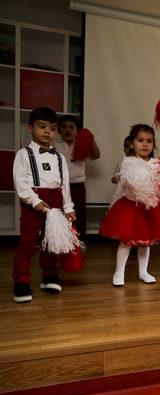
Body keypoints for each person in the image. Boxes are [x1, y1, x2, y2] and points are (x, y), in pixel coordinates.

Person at [12, 107, 76, 303]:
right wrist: (35, 201)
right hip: (35, 202)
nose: (48, 132)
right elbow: (20, 181)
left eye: (52, 128)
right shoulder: (23, 154)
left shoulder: (58, 157)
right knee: (28, 242)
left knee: (51, 241)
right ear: (30, 128)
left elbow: (65, 184)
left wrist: (68, 207)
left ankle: (49, 276)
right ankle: (21, 280)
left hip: (56, 201)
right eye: (42, 127)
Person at [99, 124, 160, 286]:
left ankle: (143, 272)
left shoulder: (157, 164)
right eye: (140, 140)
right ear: (132, 143)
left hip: (148, 209)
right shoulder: (128, 162)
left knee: (146, 243)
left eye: (149, 141)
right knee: (126, 242)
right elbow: (122, 187)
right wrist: (111, 208)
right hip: (130, 207)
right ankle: (119, 272)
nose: (145, 144)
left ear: (153, 144)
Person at [53, 115, 100, 237]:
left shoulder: (81, 145)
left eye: (71, 127)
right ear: (59, 130)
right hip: (58, 186)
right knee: (59, 212)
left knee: (78, 212)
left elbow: (96, 155)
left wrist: (91, 139)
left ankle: (79, 240)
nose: (68, 129)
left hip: (77, 186)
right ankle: (61, 238)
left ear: (76, 131)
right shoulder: (55, 145)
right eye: (64, 127)